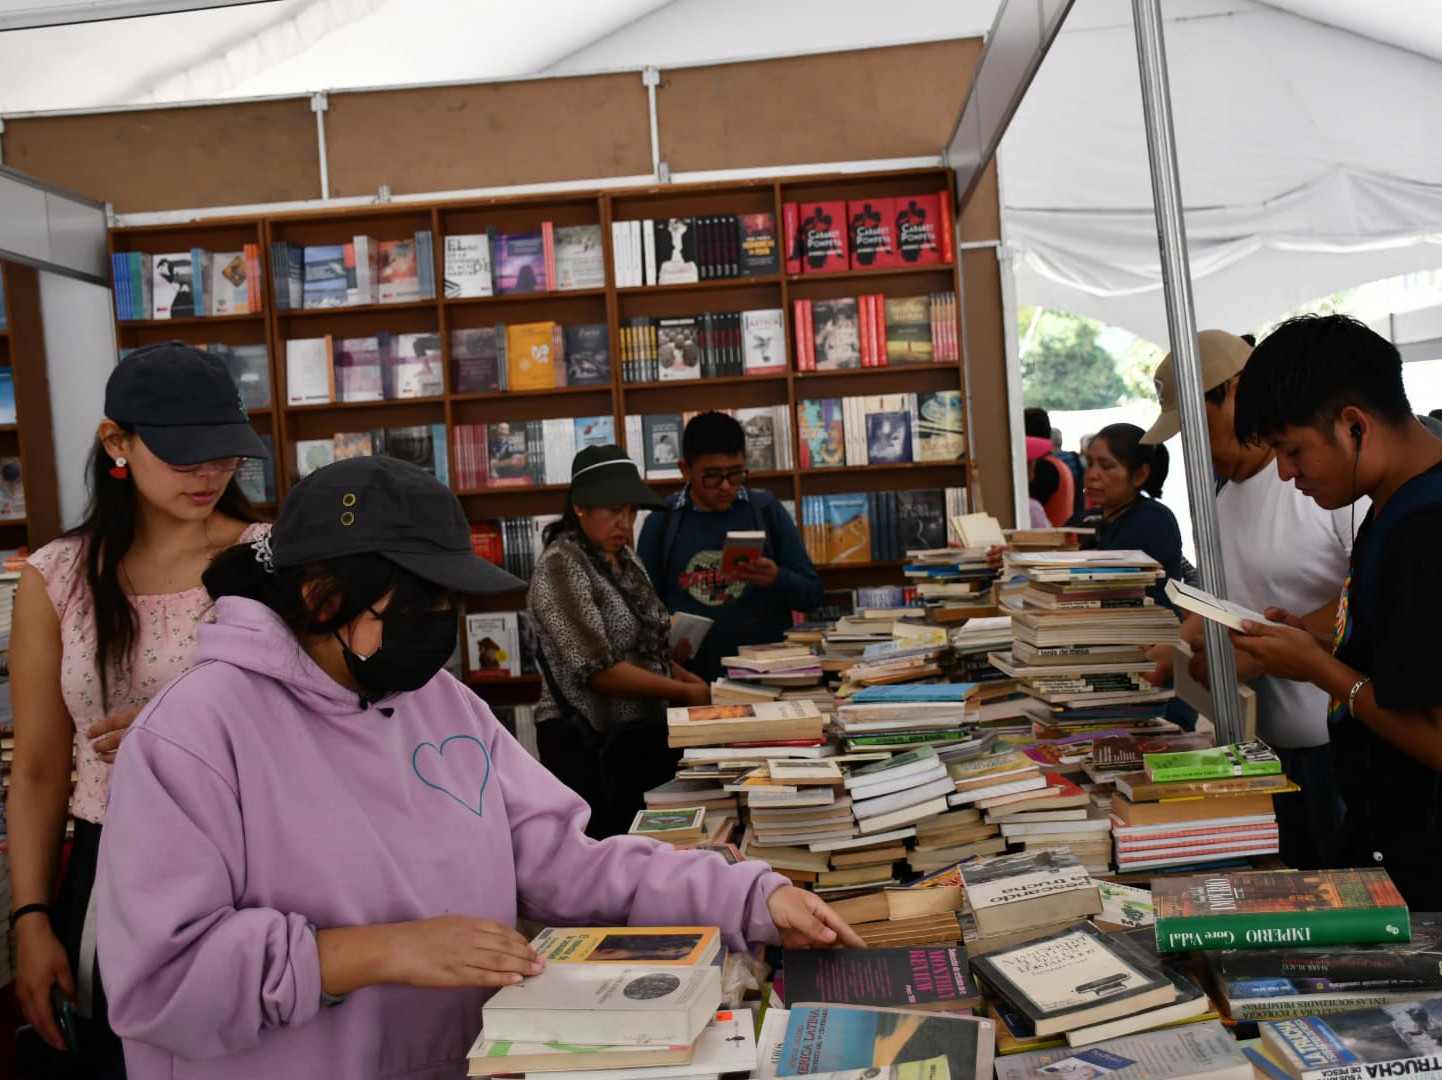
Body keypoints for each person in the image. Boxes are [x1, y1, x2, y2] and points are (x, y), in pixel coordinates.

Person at [94, 455, 861, 1080]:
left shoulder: (442, 704)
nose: (442, 631)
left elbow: (564, 861)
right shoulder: (193, 736)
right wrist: (371, 952)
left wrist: (747, 893)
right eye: (421, 604)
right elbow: (159, 983)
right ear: (324, 596)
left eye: (451, 605)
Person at [7, 342, 270, 1071]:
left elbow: (329, 725)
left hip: (254, 858)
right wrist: (29, 918)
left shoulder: (272, 562)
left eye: (224, 454)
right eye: (186, 456)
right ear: (116, 441)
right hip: (108, 864)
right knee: (114, 1055)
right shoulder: (55, 578)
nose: (211, 474)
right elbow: (35, 769)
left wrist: (187, 730)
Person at [1228, 314, 1442, 908]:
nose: (1286, 472)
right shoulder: (1390, 507)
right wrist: (1317, 644)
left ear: (1353, 426)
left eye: (1292, 450)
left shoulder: (1423, 530)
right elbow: (1402, 662)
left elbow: (1434, 735)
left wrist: (1319, 669)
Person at [1142, 330, 1353, 869]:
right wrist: (1179, 645)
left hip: (1341, 756)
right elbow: (1217, 595)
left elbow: (1369, 599)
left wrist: (1273, 646)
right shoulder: (1220, 498)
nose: (1192, 445)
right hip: (1265, 750)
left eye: (1197, 424)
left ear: (1237, 391)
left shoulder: (1322, 483)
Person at [529, 444, 709, 839]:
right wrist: (681, 690)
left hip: (640, 742)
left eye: (631, 512)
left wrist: (684, 677)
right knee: (607, 863)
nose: (625, 523)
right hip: (590, 746)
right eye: (613, 511)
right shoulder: (561, 565)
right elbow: (597, 670)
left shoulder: (626, 560)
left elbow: (645, 647)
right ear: (580, 507)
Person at [638, 412, 822, 684]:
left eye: (736, 474)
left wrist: (777, 578)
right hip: (690, 684)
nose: (726, 487)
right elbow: (642, 614)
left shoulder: (765, 510)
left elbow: (813, 595)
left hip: (767, 681)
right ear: (684, 469)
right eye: (711, 477)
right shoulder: (662, 522)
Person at [1068, 422, 1184, 603]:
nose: (1092, 475)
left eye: (1106, 466)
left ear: (1140, 475)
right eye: (1090, 464)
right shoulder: (1085, 519)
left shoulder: (1154, 520)